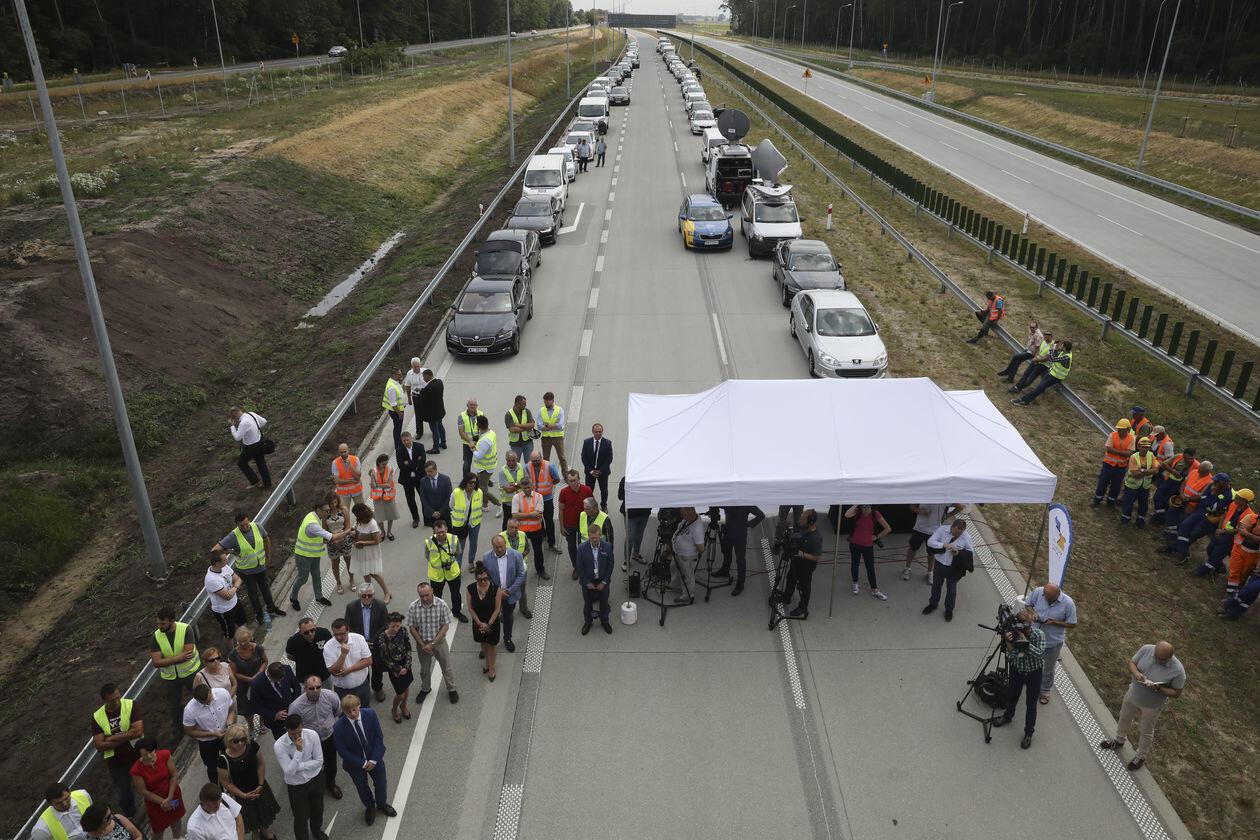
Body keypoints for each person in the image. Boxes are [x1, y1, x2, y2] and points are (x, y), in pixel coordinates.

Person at [1099, 641, 1187, 771]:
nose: (1157, 660)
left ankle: (1141, 756)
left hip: (1152, 705)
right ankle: (1119, 740)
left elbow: (1176, 693)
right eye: (1156, 656)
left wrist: (1159, 689)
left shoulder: (1178, 670)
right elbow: (1132, 663)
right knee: (1124, 718)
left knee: (1146, 731)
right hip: (1133, 694)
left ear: (1170, 657)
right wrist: (1137, 674)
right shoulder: (1146, 649)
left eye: (1162, 659)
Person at [332, 695, 396, 825]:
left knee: (381, 783)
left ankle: (382, 804)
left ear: (359, 705)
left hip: (375, 758)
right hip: (355, 765)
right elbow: (343, 751)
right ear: (344, 711)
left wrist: (373, 760)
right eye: (348, 712)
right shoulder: (338, 727)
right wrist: (363, 763)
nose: (352, 714)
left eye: (354, 710)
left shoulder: (370, 714)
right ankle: (370, 807)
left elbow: (378, 737)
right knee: (362, 787)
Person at [990, 606, 1046, 749]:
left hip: (1034, 674)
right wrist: (1008, 641)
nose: (1022, 627)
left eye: (1026, 624)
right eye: (1020, 623)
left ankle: (1028, 733)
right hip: (1017, 671)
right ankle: (1007, 716)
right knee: (1012, 696)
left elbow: (1039, 654)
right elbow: (1012, 655)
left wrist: (1025, 642)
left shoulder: (1039, 635)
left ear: (1031, 623)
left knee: (1031, 704)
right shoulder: (1013, 632)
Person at [216, 512, 285, 627]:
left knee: (265, 588)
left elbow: (266, 539)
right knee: (253, 593)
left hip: (260, 566)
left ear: (249, 520)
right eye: (241, 525)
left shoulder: (257, 527)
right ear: (237, 524)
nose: (245, 527)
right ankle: (259, 614)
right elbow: (215, 549)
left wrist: (268, 555)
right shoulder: (233, 536)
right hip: (246, 571)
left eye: (246, 524)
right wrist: (232, 551)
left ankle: (272, 608)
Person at [216, 724, 280, 840]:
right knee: (250, 817)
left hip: (259, 787)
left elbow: (260, 764)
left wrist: (260, 784)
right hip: (241, 795)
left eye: (243, 739)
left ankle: (264, 831)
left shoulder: (252, 746)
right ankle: (256, 834)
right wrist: (244, 795)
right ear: (229, 741)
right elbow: (226, 783)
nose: (240, 743)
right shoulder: (223, 760)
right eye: (236, 741)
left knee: (264, 811)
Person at [91, 682, 143, 818]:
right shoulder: (97, 717)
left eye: (118, 697)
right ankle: (130, 817)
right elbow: (100, 745)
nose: (116, 702)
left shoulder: (130, 705)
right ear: (104, 701)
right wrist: (128, 734)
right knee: (124, 792)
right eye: (112, 700)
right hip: (116, 762)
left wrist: (112, 738)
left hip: (137, 754)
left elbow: (138, 731)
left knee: (148, 782)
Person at [273, 716, 329, 840]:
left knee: (318, 809)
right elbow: (289, 771)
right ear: (286, 729)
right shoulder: (280, 745)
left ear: (302, 726)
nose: (296, 736)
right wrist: (298, 750)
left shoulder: (312, 735)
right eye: (292, 733)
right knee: (300, 817)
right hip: (296, 785)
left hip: (316, 779)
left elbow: (319, 761)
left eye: (299, 732)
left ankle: (316, 830)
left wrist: (298, 765)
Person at [287, 676, 343, 800]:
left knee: (331, 762)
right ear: (305, 689)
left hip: (329, 737)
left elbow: (337, 712)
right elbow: (293, 726)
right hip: (310, 742)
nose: (315, 690)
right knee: (312, 765)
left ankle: (330, 784)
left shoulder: (330, 696)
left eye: (318, 687)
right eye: (311, 688)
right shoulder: (296, 706)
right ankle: (316, 787)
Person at [290, 497, 350, 611]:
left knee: (317, 575)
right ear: (318, 510)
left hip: (314, 554)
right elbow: (332, 537)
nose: (328, 512)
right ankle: (293, 598)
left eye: (329, 510)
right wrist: (348, 531)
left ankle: (319, 597)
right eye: (326, 511)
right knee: (302, 578)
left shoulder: (314, 516)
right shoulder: (312, 524)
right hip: (303, 555)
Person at [150, 606, 201, 736]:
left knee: (200, 696)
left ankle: (204, 720)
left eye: (163, 624)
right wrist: (177, 658)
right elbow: (156, 662)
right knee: (175, 705)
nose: (159, 627)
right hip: (170, 678)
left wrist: (166, 660)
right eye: (158, 623)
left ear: (172, 621)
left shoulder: (185, 629)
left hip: (190, 673)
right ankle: (179, 730)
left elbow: (187, 654)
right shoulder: (156, 636)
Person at [406, 581, 459, 705]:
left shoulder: (441, 604)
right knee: (424, 670)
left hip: (439, 642)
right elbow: (412, 628)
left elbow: (445, 626)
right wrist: (423, 645)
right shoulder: (413, 607)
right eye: (421, 596)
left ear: (432, 591)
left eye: (427, 595)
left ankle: (452, 689)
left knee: (446, 667)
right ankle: (425, 688)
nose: (424, 598)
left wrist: (432, 644)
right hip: (422, 644)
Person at [1025, 582, 1077, 704]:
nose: (1047, 600)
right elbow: (1028, 604)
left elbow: (1072, 624)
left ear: (1058, 594)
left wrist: (1055, 622)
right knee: (1029, 661)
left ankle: (1044, 690)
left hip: (1052, 641)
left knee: (1048, 668)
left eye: (1050, 599)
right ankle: (1027, 680)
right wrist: (1033, 613)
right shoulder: (1039, 592)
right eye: (1045, 597)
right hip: (1034, 636)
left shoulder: (1068, 603)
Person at [1163, 472, 1232, 563]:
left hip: (1211, 518)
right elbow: (1203, 498)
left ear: (1223, 483)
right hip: (1202, 510)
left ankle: (1172, 548)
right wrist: (1208, 499)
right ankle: (1182, 551)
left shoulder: (1228, 495)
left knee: (1193, 535)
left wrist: (1213, 494)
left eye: (1216, 481)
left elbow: (1214, 508)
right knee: (1184, 525)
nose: (1214, 482)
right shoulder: (1213, 485)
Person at [130, 738, 184, 840]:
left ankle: (177, 838)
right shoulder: (136, 770)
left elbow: (173, 776)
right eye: (145, 755)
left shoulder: (165, 755)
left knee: (176, 818)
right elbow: (143, 791)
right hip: (154, 802)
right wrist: (162, 802)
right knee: (158, 829)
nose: (149, 756)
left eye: (151, 752)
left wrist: (169, 798)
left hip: (172, 793)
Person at [922, 518, 975, 621]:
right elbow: (930, 542)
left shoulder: (966, 537)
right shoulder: (942, 530)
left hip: (953, 568)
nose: (956, 535)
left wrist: (958, 553)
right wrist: (943, 545)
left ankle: (949, 610)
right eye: (955, 533)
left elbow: (971, 554)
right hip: (939, 564)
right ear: (952, 527)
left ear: (963, 530)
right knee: (936, 586)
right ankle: (933, 604)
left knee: (951, 590)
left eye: (959, 534)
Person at [183, 681, 236, 783]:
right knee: (212, 768)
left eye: (208, 700)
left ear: (210, 691)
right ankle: (218, 789)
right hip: (207, 742)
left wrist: (229, 725)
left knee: (233, 759)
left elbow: (231, 710)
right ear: (195, 699)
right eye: (202, 703)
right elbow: (189, 731)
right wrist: (212, 734)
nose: (207, 704)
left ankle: (235, 782)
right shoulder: (189, 710)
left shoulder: (222, 693)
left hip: (226, 735)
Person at [344, 583, 389, 703]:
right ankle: (365, 688)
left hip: (375, 643)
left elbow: (385, 625)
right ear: (359, 595)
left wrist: (372, 640)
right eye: (364, 596)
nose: (367, 598)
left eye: (369, 595)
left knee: (377, 667)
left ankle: (377, 687)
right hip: (358, 644)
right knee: (362, 668)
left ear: (373, 594)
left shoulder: (381, 605)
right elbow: (348, 626)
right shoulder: (351, 607)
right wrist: (362, 641)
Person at [1194, 488, 1254, 578]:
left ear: (1244, 501)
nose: (1235, 498)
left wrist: (1223, 531)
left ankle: (1203, 571)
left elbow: (1239, 530)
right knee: (1210, 549)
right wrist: (1219, 529)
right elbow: (1223, 516)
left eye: (1238, 498)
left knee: (1217, 553)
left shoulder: (1249, 515)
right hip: (1222, 531)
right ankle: (1220, 568)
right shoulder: (1233, 504)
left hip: (1231, 537)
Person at [483, 535, 527, 653]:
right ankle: (489, 642)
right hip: (493, 595)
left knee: (508, 617)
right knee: (491, 618)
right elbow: (485, 577)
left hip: (509, 595)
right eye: (496, 547)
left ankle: (507, 638)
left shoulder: (516, 555)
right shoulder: (486, 557)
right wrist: (497, 592)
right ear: (492, 546)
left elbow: (521, 575)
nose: (499, 549)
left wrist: (508, 591)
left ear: (505, 544)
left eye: (501, 547)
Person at [903, 502, 964, 583]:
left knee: (932, 553)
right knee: (913, 549)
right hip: (920, 528)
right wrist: (920, 511)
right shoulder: (923, 495)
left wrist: (946, 516)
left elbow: (960, 507)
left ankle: (930, 572)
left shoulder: (944, 499)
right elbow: (912, 506)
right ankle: (907, 568)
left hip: (934, 531)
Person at [466, 560, 506, 678]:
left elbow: (497, 609)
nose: (483, 582)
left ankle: (492, 667)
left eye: (485, 579)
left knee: (492, 645)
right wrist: (479, 623)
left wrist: (488, 624)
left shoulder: (495, 589)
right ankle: (487, 662)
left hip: (492, 622)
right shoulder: (470, 589)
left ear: (488, 577)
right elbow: (470, 608)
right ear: (476, 579)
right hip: (478, 622)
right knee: (483, 643)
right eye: (480, 580)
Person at [425, 519, 469, 622]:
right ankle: (438, 614)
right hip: (436, 575)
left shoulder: (454, 539)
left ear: (447, 529)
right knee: (436, 597)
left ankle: (457, 611)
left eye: (443, 532)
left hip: (452, 572)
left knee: (456, 594)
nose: (441, 535)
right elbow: (428, 557)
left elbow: (458, 552)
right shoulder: (429, 542)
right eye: (438, 533)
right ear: (434, 532)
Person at [715, 505, 765, 596]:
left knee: (740, 559)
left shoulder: (745, 503)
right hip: (728, 531)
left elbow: (761, 515)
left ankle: (740, 584)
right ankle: (725, 570)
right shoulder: (729, 501)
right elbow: (719, 504)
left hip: (739, 535)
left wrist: (748, 524)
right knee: (726, 552)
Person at [844, 504, 890, 599]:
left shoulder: (875, 514)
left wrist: (877, 537)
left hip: (868, 546)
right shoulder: (857, 511)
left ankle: (874, 589)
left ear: (871, 506)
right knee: (855, 564)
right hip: (855, 543)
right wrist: (857, 504)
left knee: (870, 568)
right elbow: (847, 515)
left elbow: (888, 528)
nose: (865, 509)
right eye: (864, 506)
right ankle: (855, 583)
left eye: (868, 507)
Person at [324, 618, 373, 707]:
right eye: (336, 634)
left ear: (348, 631)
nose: (339, 637)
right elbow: (333, 671)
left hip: (363, 686)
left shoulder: (359, 638)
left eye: (341, 634)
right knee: (347, 712)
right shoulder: (328, 647)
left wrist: (349, 670)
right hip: (343, 691)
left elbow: (368, 660)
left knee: (365, 709)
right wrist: (343, 654)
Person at [374, 612, 413, 722]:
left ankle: (403, 706)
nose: (396, 629)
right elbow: (385, 657)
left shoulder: (403, 630)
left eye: (398, 626)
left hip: (405, 663)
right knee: (400, 694)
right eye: (393, 626)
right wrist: (398, 669)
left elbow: (408, 647)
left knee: (406, 687)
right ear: (388, 624)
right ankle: (394, 710)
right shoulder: (383, 637)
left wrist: (407, 665)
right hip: (394, 667)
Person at [577, 524, 615, 635]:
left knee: (604, 603)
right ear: (589, 536)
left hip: (603, 581)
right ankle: (588, 622)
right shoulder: (581, 548)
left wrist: (604, 582)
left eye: (596, 538)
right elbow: (580, 567)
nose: (594, 540)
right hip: (588, 582)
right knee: (587, 604)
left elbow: (610, 565)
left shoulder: (607, 546)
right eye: (592, 538)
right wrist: (586, 582)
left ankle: (605, 621)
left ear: (600, 535)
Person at [351, 503, 391, 604]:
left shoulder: (372, 524)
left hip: (370, 553)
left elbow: (377, 541)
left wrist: (363, 543)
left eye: (356, 514)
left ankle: (387, 593)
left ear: (361, 514)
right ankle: (368, 592)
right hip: (361, 551)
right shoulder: (359, 521)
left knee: (374, 573)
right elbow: (357, 530)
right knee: (365, 572)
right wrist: (354, 533)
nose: (355, 517)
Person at [1011, 340, 1073, 406]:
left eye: (1062, 345)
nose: (1060, 346)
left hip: (1056, 377)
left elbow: (1052, 359)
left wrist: (1051, 348)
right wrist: (1054, 348)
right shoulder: (1063, 353)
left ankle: (1024, 401)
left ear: (1064, 347)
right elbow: (1054, 356)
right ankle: (1024, 400)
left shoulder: (1067, 357)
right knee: (1039, 388)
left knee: (1039, 388)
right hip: (1051, 374)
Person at [249, 662, 300, 739]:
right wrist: (274, 715)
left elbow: (297, 688)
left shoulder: (287, 669)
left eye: (282, 677)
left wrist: (295, 705)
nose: (281, 680)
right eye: (278, 679)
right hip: (277, 723)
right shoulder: (257, 683)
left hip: (294, 715)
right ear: (269, 675)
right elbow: (256, 706)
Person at [205, 547, 247, 641]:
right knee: (229, 635)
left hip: (235, 602)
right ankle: (232, 650)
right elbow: (227, 596)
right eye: (224, 560)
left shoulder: (225, 567)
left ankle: (245, 641)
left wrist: (234, 588)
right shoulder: (211, 579)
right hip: (224, 611)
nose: (226, 561)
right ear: (217, 563)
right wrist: (235, 587)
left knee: (243, 623)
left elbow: (238, 579)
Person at [1092, 419, 1136, 507]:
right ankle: (1097, 499)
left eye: (1121, 429)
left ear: (1127, 430)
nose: (1119, 431)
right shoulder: (1112, 435)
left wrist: (1116, 451)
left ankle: (1111, 502)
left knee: (1116, 486)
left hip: (1121, 467)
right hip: (1108, 464)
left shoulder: (1132, 438)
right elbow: (1109, 449)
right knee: (1103, 483)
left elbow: (1129, 453)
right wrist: (1123, 452)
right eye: (1118, 429)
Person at [526, 450, 563, 554]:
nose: (535, 463)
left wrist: (548, 487)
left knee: (549, 521)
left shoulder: (549, 466)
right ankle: (542, 534)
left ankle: (552, 543)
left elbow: (557, 479)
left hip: (547, 499)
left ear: (541, 458)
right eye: (533, 461)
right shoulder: (527, 467)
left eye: (537, 460)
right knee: (538, 518)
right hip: (534, 498)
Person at [559, 469, 596, 571]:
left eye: (575, 480)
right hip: (569, 525)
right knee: (571, 547)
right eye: (570, 481)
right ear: (567, 481)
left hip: (583, 525)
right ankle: (577, 567)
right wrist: (561, 527)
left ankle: (584, 565)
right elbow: (561, 510)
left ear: (579, 479)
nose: (573, 483)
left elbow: (593, 507)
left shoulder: (587, 490)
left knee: (583, 547)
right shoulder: (563, 492)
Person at [513, 477, 550, 579]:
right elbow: (515, 515)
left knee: (538, 551)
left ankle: (540, 570)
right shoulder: (516, 497)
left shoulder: (539, 497)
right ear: (521, 487)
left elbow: (538, 514)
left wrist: (522, 515)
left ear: (532, 486)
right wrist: (531, 514)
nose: (527, 490)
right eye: (525, 488)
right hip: (521, 530)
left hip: (536, 529)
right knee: (519, 552)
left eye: (529, 487)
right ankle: (518, 571)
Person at [669, 507, 707, 605]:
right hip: (678, 553)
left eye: (683, 514)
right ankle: (677, 587)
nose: (682, 516)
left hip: (687, 557)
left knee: (687, 576)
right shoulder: (687, 519)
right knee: (674, 569)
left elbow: (701, 548)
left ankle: (688, 596)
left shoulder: (697, 528)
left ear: (689, 513)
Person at [1119, 436, 1160, 526]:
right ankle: (1125, 520)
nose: (1145, 450)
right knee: (1128, 504)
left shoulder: (1151, 456)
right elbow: (1135, 474)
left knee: (1143, 505)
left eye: (1147, 447)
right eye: (1143, 447)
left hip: (1145, 487)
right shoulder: (1134, 457)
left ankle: (1140, 522)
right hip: (1132, 486)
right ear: (1138, 447)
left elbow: (1156, 471)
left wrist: (1142, 470)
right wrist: (1149, 471)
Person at [228, 627, 266, 723]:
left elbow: (265, 661)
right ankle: (250, 724)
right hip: (243, 685)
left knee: (262, 702)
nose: (242, 644)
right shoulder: (233, 655)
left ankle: (262, 722)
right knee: (246, 708)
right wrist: (250, 679)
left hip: (259, 681)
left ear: (250, 638)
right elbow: (235, 673)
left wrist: (258, 674)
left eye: (245, 641)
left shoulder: (258, 648)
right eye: (240, 642)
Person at [500, 518, 534, 619]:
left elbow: (527, 549)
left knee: (522, 591)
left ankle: (524, 609)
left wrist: (521, 556)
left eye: (516, 528)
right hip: (507, 570)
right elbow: (497, 553)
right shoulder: (501, 537)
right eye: (512, 527)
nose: (514, 530)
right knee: (506, 591)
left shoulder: (522, 535)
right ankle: (504, 612)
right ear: (507, 527)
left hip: (520, 569)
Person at [230, 407, 271, 490]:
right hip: (259, 442)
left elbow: (237, 438)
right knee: (261, 463)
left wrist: (232, 426)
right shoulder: (251, 414)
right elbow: (264, 421)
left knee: (241, 463)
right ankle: (267, 484)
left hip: (250, 447)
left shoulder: (243, 423)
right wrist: (254, 429)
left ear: (235, 416)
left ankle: (255, 481)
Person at [449, 472, 485, 568]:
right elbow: (451, 505)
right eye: (470, 482)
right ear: (465, 482)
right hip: (460, 524)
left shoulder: (479, 492)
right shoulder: (456, 492)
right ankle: (458, 566)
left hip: (475, 523)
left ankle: (471, 561)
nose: (473, 484)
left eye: (475, 483)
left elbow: (480, 505)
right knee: (460, 546)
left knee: (473, 544)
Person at [286, 618, 333, 685]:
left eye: (312, 630)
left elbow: (331, 648)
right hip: (305, 677)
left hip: (324, 674)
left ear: (315, 626)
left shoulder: (324, 633)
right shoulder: (293, 642)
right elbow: (290, 656)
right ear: (300, 632)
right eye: (306, 632)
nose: (310, 634)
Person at [394, 429, 425, 528]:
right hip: (407, 479)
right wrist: (416, 462)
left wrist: (408, 463)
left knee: (424, 498)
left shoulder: (420, 447)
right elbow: (401, 466)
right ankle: (415, 518)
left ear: (411, 438)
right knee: (410, 500)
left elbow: (423, 462)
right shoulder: (399, 450)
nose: (406, 442)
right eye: (404, 441)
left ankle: (427, 517)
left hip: (419, 477)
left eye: (407, 440)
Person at [325, 494, 355, 595]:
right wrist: (333, 540)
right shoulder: (325, 513)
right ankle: (338, 583)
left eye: (335, 502)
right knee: (335, 563)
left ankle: (351, 580)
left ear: (338, 500)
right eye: (331, 503)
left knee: (349, 561)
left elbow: (348, 527)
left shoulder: (344, 509)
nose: (333, 505)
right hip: (332, 541)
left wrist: (341, 539)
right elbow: (325, 530)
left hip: (345, 539)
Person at [581, 423, 614, 510]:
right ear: (593, 432)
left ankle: (604, 505)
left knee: (604, 490)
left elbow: (609, 458)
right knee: (589, 490)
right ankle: (589, 506)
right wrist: (591, 471)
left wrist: (600, 470)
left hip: (603, 472)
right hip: (590, 472)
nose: (598, 433)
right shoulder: (587, 442)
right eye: (596, 432)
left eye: (600, 431)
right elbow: (584, 457)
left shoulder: (607, 443)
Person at [472, 415, 502, 506]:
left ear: (478, 426)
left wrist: (473, 448)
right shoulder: (491, 433)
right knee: (483, 486)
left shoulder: (484, 441)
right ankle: (485, 505)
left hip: (484, 468)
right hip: (488, 466)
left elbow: (479, 456)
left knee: (481, 489)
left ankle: (498, 503)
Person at [368, 455, 399, 541]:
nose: (385, 466)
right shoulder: (372, 471)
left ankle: (389, 532)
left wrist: (377, 485)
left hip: (388, 496)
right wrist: (372, 477)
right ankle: (382, 532)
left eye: (386, 463)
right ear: (379, 462)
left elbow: (388, 485)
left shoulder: (389, 470)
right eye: (383, 464)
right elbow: (373, 486)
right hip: (378, 497)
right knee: (379, 517)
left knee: (390, 515)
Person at [537, 391, 569, 473]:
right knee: (546, 458)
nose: (546, 404)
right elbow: (539, 426)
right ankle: (546, 475)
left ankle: (566, 474)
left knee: (562, 457)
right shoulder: (541, 410)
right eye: (545, 402)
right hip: (545, 438)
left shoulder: (559, 410)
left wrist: (546, 424)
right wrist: (554, 425)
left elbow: (560, 425)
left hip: (557, 437)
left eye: (547, 402)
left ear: (552, 400)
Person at [419, 459, 454, 530]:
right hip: (432, 515)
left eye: (430, 471)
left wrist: (440, 512)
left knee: (448, 532)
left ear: (435, 469)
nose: (428, 474)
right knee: (436, 533)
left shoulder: (446, 479)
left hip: (444, 513)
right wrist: (432, 512)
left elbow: (449, 497)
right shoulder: (423, 481)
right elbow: (423, 498)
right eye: (426, 472)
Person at [419, 367, 447, 452]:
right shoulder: (439, 382)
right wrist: (422, 390)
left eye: (424, 377)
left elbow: (425, 400)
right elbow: (431, 393)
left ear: (427, 376)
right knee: (441, 427)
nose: (423, 379)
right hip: (439, 410)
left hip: (432, 414)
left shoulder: (429, 387)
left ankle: (435, 448)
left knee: (435, 430)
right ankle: (443, 443)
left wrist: (419, 396)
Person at [499, 450, 526, 531]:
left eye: (513, 460)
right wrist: (520, 485)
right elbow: (508, 490)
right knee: (507, 522)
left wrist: (514, 484)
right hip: (508, 503)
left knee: (520, 522)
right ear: (506, 460)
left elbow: (527, 482)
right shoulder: (502, 471)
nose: (511, 463)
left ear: (517, 459)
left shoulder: (522, 467)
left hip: (521, 501)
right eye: (509, 461)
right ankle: (504, 536)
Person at [504, 394, 536, 463]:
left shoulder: (527, 411)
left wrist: (518, 425)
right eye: (523, 404)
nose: (525, 405)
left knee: (529, 464)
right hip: (515, 445)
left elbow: (532, 425)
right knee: (515, 464)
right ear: (517, 404)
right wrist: (526, 427)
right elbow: (512, 430)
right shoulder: (509, 414)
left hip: (528, 443)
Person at [457, 398, 485, 476]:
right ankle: (466, 480)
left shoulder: (481, 414)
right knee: (466, 464)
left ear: (477, 406)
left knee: (482, 464)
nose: (472, 406)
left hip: (479, 443)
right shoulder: (462, 416)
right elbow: (461, 432)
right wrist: (470, 441)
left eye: (474, 405)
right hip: (467, 444)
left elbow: (485, 429)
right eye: (471, 405)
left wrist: (480, 441)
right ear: (467, 405)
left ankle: (484, 479)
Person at [402, 358, 428, 441]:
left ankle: (434, 430)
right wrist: (409, 398)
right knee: (418, 415)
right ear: (412, 366)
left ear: (420, 365)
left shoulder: (425, 371)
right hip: (416, 397)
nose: (417, 368)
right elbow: (407, 386)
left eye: (418, 366)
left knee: (429, 412)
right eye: (415, 367)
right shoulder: (409, 374)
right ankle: (419, 432)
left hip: (425, 396)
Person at [381, 368, 407, 438]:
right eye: (399, 374)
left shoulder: (394, 382)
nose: (401, 375)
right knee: (397, 429)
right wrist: (399, 413)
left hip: (398, 410)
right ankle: (398, 444)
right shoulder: (391, 387)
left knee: (398, 428)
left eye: (401, 374)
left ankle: (398, 441)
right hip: (396, 412)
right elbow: (393, 403)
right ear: (393, 375)